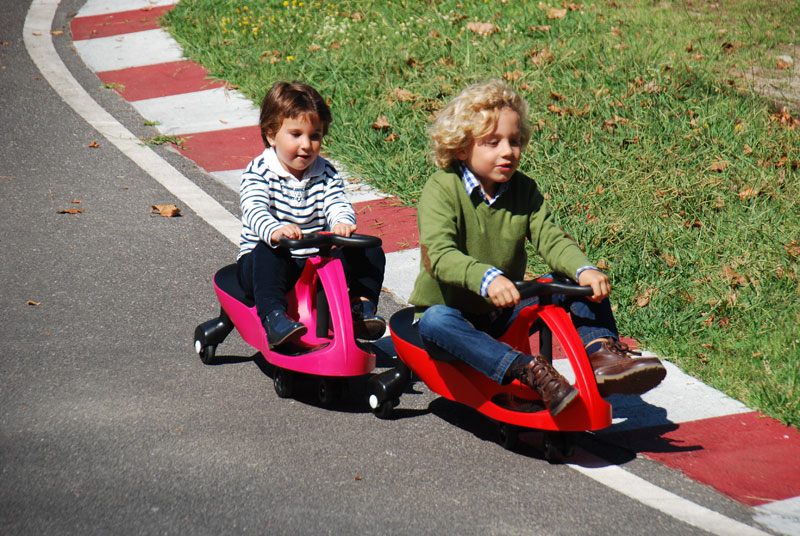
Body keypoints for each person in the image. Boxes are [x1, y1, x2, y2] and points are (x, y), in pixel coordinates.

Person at [409, 79, 665, 416]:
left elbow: (551, 238)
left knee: (574, 284)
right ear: (461, 147)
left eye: (514, 142)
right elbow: (440, 256)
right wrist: (487, 278)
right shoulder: (442, 189)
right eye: (492, 142)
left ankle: (602, 355)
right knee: (434, 321)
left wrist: (582, 268)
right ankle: (529, 370)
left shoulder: (523, 190)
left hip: (504, 309)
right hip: (453, 314)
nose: (507, 152)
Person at [237, 81, 386, 347]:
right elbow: (253, 208)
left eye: (315, 136)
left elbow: (337, 201)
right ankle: (274, 318)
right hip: (266, 265)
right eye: (296, 134)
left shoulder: (326, 171)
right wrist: (274, 230)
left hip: (313, 264)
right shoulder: (259, 171)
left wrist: (342, 221)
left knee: (370, 251)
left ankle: (360, 308)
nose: (306, 145)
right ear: (271, 134)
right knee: (267, 253)